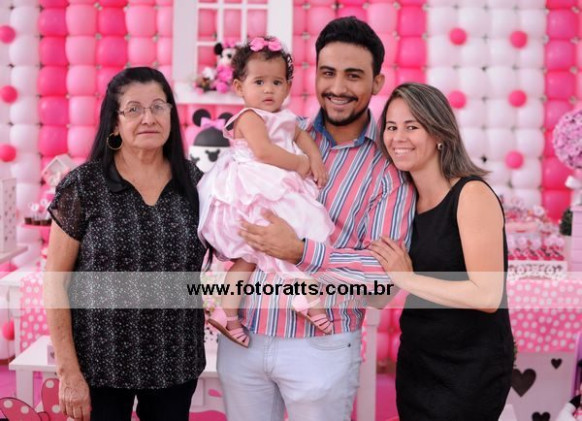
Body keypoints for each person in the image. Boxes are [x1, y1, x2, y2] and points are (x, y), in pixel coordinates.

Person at [216, 17, 416, 421]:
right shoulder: (279, 134)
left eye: (353, 75)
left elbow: (381, 279)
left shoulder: (388, 170)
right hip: (245, 338)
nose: (338, 87)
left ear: (377, 82)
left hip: (320, 347)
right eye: (328, 73)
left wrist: (302, 252)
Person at [44, 67, 207, 421]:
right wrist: (68, 372)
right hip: (98, 364)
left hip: (175, 360)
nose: (149, 118)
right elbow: (55, 281)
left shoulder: (196, 183)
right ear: (115, 123)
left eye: (158, 106)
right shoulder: (84, 185)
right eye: (134, 109)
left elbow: (224, 252)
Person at [368, 82, 514, 421]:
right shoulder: (404, 201)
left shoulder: (471, 195)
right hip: (418, 362)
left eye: (411, 127)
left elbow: (488, 294)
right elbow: (381, 293)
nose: (398, 137)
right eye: (391, 127)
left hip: (470, 369)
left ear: (439, 134)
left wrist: (407, 279)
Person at [197, 36, 335, 347]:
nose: (268, 89)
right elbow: (264, 152)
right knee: (281, 237)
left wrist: (315, 160)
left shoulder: (286, 118)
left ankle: (227, 312)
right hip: (252, 191)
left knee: (261, 253)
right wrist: (300, 164)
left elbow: (302, 137)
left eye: (277, 82)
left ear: (288, 87)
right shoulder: (249, 117)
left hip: (275, 187)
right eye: (259, 82)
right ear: (239, 87)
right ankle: (303, 299)